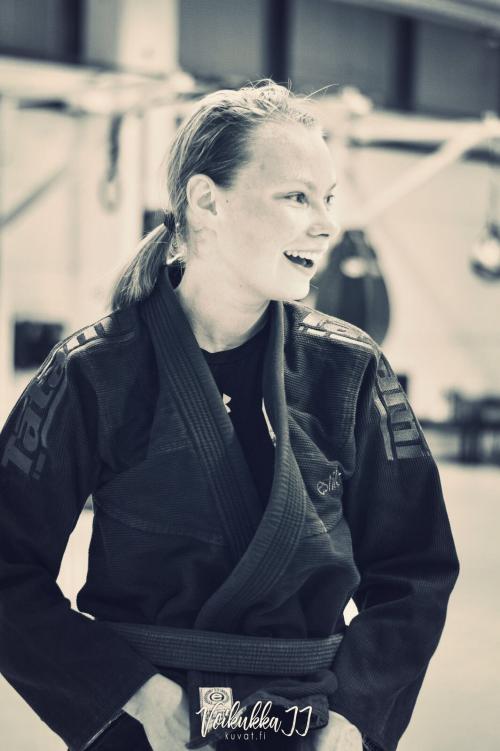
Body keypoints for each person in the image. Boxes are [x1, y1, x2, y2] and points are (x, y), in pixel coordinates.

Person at [0, 81, 459, 751]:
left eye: (328, 199)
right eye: (296, 197)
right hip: (152, 723)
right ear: (207, 200)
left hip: (308, 720)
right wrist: (135, 694)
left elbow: (416, 568)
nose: (325, 225)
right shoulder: (93, 372)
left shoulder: (350, 370)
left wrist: (356, 714)